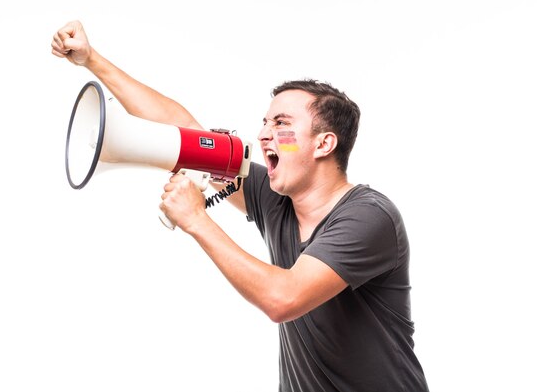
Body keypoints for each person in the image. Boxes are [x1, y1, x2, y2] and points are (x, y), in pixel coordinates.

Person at [51, 20, 429, 392]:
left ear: (324, 144)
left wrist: (197, 220)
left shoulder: (369, 216)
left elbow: (284, 298)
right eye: (264, 122)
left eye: (282, 124)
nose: (264, 134)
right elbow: (186, 132)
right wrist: (92, 59)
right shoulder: (278, 198)